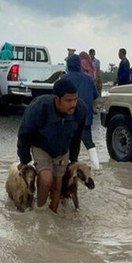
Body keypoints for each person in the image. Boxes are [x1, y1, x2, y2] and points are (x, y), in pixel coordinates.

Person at [17, 78, 88, 212]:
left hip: (62, 150)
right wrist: (24, 160)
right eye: (68, 100)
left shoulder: (81, 110)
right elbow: (24, 134)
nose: (73, 104)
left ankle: (52, 214)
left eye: (75, 99)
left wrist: (74, 159)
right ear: (56, 98)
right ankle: (40, 211)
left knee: (57, 183)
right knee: (46, 178)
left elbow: (77, 137)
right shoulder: (39, 107)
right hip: (41, 146)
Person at [63, 54, 100, 169]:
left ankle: (67, 168)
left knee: (66, 143)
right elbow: (95, 97)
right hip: (85, 117)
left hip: (68, 117)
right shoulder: (88, 79)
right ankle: (96, 167)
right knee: (89, 142)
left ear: (68, 65)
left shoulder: (64, 79)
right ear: (79, 65)